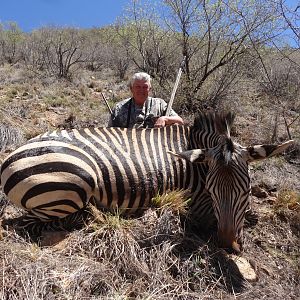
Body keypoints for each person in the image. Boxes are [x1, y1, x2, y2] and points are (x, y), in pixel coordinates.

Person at [108, 72, 184, 128]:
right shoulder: (119, 108)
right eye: (138, 87)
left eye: (145, 87)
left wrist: (165, 118)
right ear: (131, 89)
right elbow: (110, 132)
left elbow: (180, 121)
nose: (141, 90)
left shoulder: (160, 104)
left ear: (149, 89)